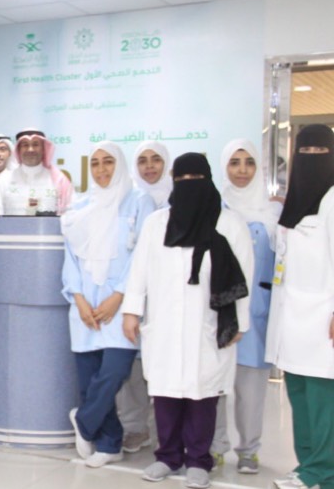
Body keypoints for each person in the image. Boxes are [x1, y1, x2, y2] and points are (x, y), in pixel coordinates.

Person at [121, 153, 253, 489]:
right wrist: (131, 311)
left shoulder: (229, 223)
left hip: (208, 322)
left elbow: (245, 276)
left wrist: (239, 322)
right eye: (182, 180)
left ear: (208, 181)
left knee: (202, 394)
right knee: (165, 392)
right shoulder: (157, 223)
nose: (189, 186)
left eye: (196, 180)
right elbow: (139, 271)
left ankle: (198, 460)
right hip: (164, 321)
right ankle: (167, 456)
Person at [62, 142, 156, 468]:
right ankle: (109, 444)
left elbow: (143, 256)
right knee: (89, 380)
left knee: (114, 372)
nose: (102, 170)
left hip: (121, 305)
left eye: (109, 162)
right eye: (96, 163)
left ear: (120, 165)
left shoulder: (140, 202)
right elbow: (70, 257)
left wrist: (119, 297)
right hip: (85, 307)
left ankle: (84, 420)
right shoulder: (80, 206)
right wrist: (78, 298)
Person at [266, 124, 334, 489]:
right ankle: (307, 465)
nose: (311, 159)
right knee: (299, 395)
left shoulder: (333, 200)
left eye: (320, 152)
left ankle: (324, 473)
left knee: (324, 402)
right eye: (304, 152)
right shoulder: (293, 201)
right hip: (291, 320)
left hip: (323, 320)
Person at [210, 139, 280, 474]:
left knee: (251, 389)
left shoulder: (273, 213)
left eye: (249, 162)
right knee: (215, 384)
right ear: (224, 167)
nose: (242, 170)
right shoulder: (215, 209)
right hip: (220, 311)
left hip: (257, 312)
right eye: (234, 163)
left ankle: (249, 450)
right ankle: (215, 446)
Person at [116, 140, 171, 453]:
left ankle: (164, 431)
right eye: (143, 161)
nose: (149, 166)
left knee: (164, 368)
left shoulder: (178, 199)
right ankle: (135, 428)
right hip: (135, 294)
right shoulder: (129, 199)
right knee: (133, 369)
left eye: (156, 160)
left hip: (166, 296)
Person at [1, 129, 73, 215]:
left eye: (35, 144)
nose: (30, 149)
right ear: (18, 150)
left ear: (43, 149)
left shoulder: (59, 180)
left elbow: (71, 213)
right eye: (25, 145)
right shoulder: (4, 179)